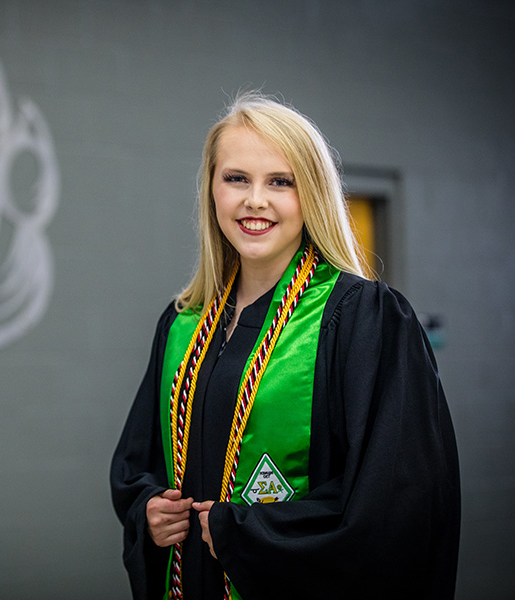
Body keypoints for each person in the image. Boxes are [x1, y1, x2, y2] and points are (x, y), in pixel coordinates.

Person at [110, 92, 460, 600]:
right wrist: (147, 508)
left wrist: (248, 533)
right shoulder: (184, 322)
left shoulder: (362, 318)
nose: (255, 200)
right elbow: (137, 461)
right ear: (211, 190)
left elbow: (396, 507)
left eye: (281, 181)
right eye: (236, 179)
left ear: (312, 194)